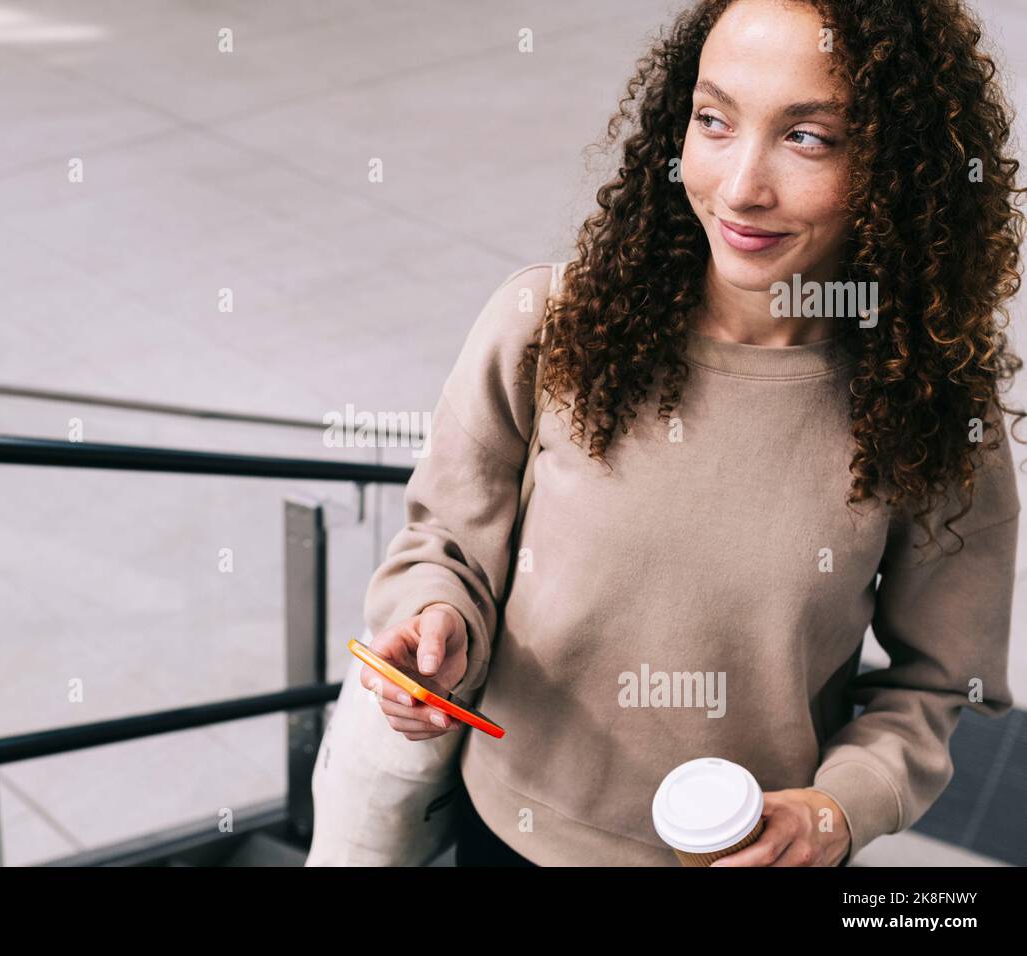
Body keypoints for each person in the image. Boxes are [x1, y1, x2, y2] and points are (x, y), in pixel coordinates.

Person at [360, 0, 1025, 867]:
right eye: (714, 121)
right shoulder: (547, 325)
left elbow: (941, 683)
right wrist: (431, 624)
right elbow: (446, 541)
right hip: (511, 837)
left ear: (899, 169)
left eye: (809, 138)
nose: (743, 184)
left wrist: (836, 810)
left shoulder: (931, 411)